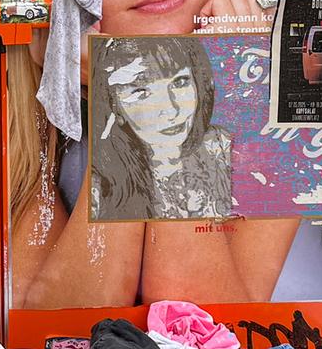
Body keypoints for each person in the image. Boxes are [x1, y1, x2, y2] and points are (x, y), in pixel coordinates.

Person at [5, 0, 297, 309]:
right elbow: (56, 328)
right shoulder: (28, 97)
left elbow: (212, 327)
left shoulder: (272, 77)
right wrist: (119, 95)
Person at [88, 36, 232, 221]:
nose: (171, 110)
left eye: (179, 82)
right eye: (141, 92)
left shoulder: (223, 147)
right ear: (115, 107)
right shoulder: (99, 188)